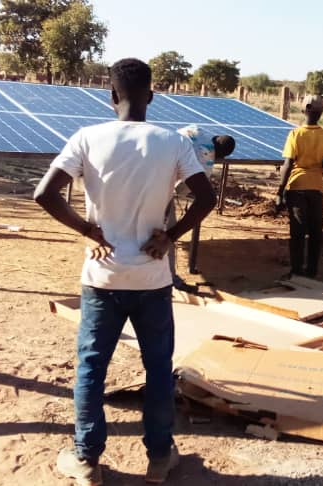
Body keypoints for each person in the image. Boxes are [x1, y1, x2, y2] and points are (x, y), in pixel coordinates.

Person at [34, 58, 216, 485]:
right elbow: (206, 199)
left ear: (111, 95)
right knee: (158, 369)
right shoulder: (173, 142)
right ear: (151, 96)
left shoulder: (87, 138)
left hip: (102, 277)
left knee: (91, 369)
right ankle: (159, 458)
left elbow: (44, 193)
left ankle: (86, 460)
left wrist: (87, 230)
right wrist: (170, 236)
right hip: (153, 278)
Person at [275, 95, 323, 278]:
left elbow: (288, 164)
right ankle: (312, 271)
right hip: (316, 188)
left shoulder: (295, 134)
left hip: (296, 187)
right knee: (315, 231)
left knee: (298, 232)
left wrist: (280, 191)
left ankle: (296, 271)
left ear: (303, 110)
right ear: (322, 112)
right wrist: (318, 166)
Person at [167, 125, 235, 276]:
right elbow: (183, 191)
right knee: (165, 234)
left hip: (155, 162)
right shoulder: (206, 163)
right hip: (162, 188)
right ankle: (169, 276)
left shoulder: (197, 130)